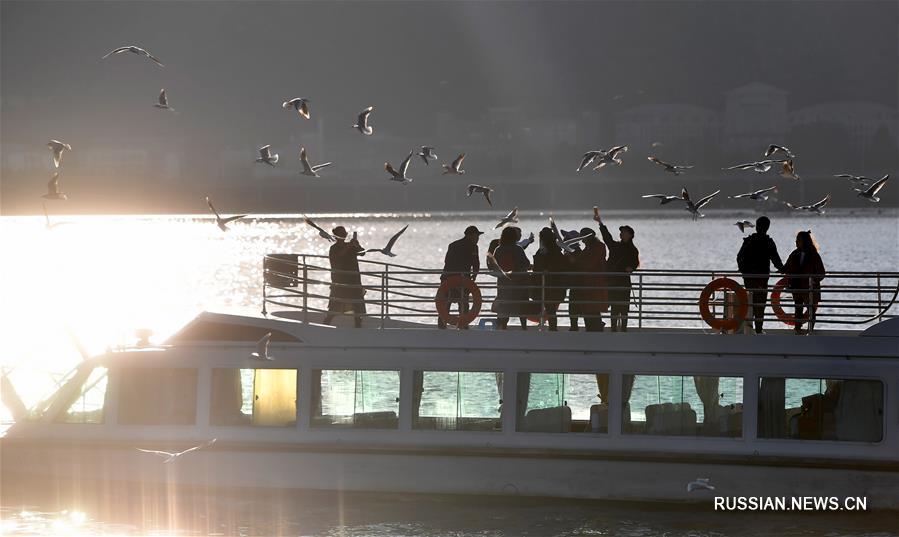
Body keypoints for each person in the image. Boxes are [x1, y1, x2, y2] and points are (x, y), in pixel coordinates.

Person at [736, 216, 785, 334]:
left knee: (749, 302)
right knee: (760, 303)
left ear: (756, 226)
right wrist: (783, 269)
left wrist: (743, 271)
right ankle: (758, 329)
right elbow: (776, 260)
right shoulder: (768, 242)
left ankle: (748, 328)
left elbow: (739, 257)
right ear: (767, 228)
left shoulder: (748, 241)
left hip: (748, 278)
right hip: (762, 279)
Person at [595, 209, 639, 332]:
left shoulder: (633, 249)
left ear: (630, 235)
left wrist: (631, 267)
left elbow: (635, 263)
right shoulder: (616, 246)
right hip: (613, 282)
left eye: (624, 232)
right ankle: (614, 329)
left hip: (623, 282)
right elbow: (607, 238)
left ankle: (623, 329)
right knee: (614, 307)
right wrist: (600, 224)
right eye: (621, 232)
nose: (621, 234)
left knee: (624, 308)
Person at [438, 225, 483, 329]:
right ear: (471, 236)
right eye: (477, 236)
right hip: (462, 279)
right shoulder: (473, 247)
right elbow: (476, 264)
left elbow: (447, 261)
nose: (478, 239)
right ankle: (463, 325)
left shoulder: (453, 245)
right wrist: (474, 276)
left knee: (445, 304)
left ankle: (442, 325)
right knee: (463, 303)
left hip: (447, 277)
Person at [783, 230, 825, 335]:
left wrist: (813, 281)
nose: (796, 242)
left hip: (809, 288)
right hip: (797, 287)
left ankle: (810, 330)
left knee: (810, 310)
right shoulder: (794, 253)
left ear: (804, 241)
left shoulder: (814, 255)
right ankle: (798, 329)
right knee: (798, 309)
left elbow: (821, 273)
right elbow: (787, 267)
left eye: (798, 240)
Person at [323, 226, 366, 328]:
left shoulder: (350, 246)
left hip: (353, 280)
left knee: (356, 304)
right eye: (341, 233)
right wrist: (349, 246)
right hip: (340, 281)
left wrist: (357, 245)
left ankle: (358, 325)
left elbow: (363, 253)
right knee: (335, 305)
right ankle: (326, 323)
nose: (344, 234)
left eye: (344, 232)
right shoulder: (333, 248)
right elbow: (339, 256)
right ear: (337, 236)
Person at [491, 226, 532, 329]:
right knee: (522, 306)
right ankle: (524, 327)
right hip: (519, 282)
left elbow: (494, 265)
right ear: (514, 237)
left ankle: (504, 326)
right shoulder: (518, 249)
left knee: (505, 306)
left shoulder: (498, 249)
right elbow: (525, 263)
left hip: (504, 283)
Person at [569, 227, 607, 332]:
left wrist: (575, 260)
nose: (582, 240)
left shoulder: (598, 247)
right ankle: (592, 328)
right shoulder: (589, 248)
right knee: (588, 308)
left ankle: (596, 328)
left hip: (594, 283)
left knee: (593, 308)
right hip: (587, 283)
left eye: (583, 237)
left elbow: (589, 264)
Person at [532, 227, 570, 331]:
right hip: (556, 286)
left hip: (548, 285)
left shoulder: (544, 251)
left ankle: (551, 327)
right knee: (551, 308)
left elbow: (539, 266)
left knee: (550, 308)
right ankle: (552, 327)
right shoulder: (557, 251)